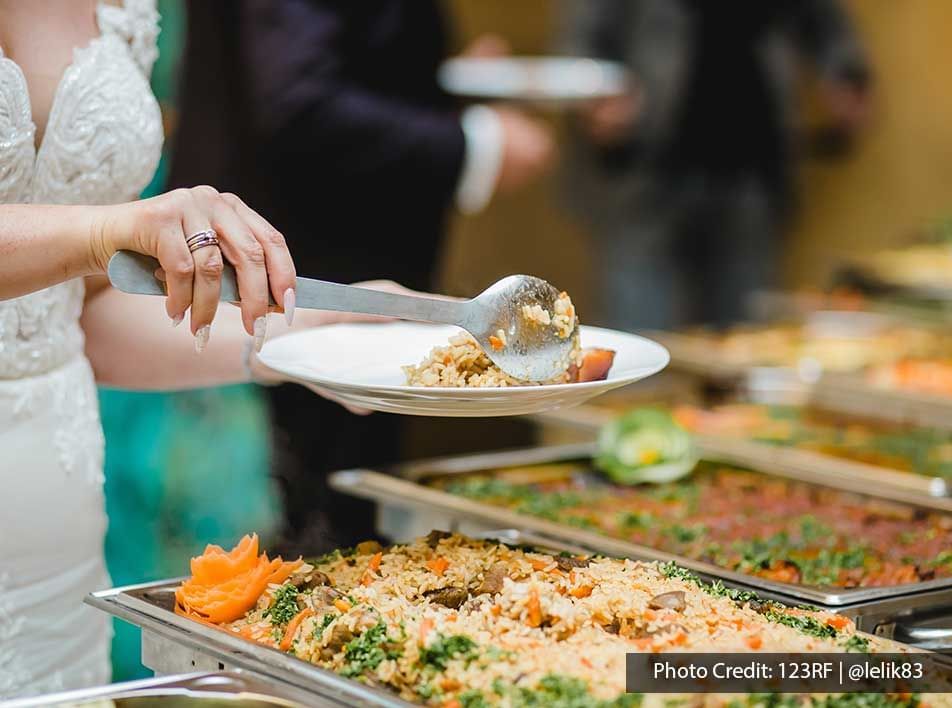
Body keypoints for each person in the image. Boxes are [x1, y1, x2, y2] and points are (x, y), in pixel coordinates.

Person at [0, 0, 397, 697]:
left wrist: (296, 341)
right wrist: (109, 227)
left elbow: (75, 312)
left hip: (57, 539)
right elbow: (93, 241)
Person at [168, 0, 555, 556]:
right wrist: (475, 143)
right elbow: (295, 102)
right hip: (290, 264)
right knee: (308, 537)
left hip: (340, 279)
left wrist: (436, 82)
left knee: (349, 521)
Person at [561, 0, 871, 330]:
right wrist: (594, 90)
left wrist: (844, 71)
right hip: (646, 167)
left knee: (742, 335)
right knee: (639, 331)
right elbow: (583, 30)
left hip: (753, 162)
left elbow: (820, 18)